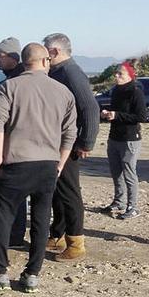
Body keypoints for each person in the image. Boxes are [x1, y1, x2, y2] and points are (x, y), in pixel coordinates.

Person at [0, 43, 76, 294]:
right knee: (41, 220)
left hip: (14, 162)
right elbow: (70, 132)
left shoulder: (9, 86)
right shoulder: (63, 91)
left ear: (24, 61)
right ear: (45, 62)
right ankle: (32, 274)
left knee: (3, 218)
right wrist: (61, 162)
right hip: (47, 165)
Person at [45, 33, 100, 261]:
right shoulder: (58, 71)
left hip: (69, 143)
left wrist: (86, 141)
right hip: (56, 140)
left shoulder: (70, 72)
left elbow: (90, 107)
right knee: (57, 190)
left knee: (69, 192)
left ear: (55, 52)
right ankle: (57, 233)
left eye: (46, 51)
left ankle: (76, 243)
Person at [0, 37, 29, 249]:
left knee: (12, 194)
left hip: (13, 146)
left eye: (0, 56)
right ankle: (14, 235)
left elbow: (0, 120)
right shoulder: (12, 79)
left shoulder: (12, 84)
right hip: (19, 146)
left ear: (12, 58)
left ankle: (13, 237)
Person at [100, 60, 146, 219]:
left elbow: (141, 116)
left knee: (129, 173)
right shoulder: (116, 91)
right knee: (115, 172)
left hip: (130, 139)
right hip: (114, 137)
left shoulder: (135, 92)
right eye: (116, 72)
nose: (116, 75)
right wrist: (107, 114)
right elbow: (116, 112)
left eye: (120, 73)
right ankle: (119, 201)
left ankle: (132, 207)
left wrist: (117, 115)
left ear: (130, 76)